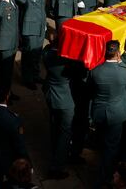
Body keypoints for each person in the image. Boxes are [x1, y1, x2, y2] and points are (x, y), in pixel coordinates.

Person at [89, 40, 126, 186]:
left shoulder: (95, 71)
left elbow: (90, 89)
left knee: (103, 140)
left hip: (99, 112)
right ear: (118, 53)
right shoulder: (125, 71)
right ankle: (106, 176)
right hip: (116, 113)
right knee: (112, 146)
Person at [42, 33, 74, 180]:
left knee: (55, 125)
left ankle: (55, 150)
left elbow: (49, 47)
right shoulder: (66, 61)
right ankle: (57, 166)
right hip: (64, 99)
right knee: (65, 132)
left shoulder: (47, 53)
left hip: (50, 95)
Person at [15, 0, 46, 90]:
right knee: (29, 54)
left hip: (40, 25)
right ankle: (27, 79)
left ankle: (36, 75)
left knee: (37, 52)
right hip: (30, 27)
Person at [0, 0, 19, 98]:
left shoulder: (11, 1)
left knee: (9, 71)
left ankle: (8, 92)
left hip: (13, 41)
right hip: (5, 43)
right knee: (3, 70)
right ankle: (1, 94)